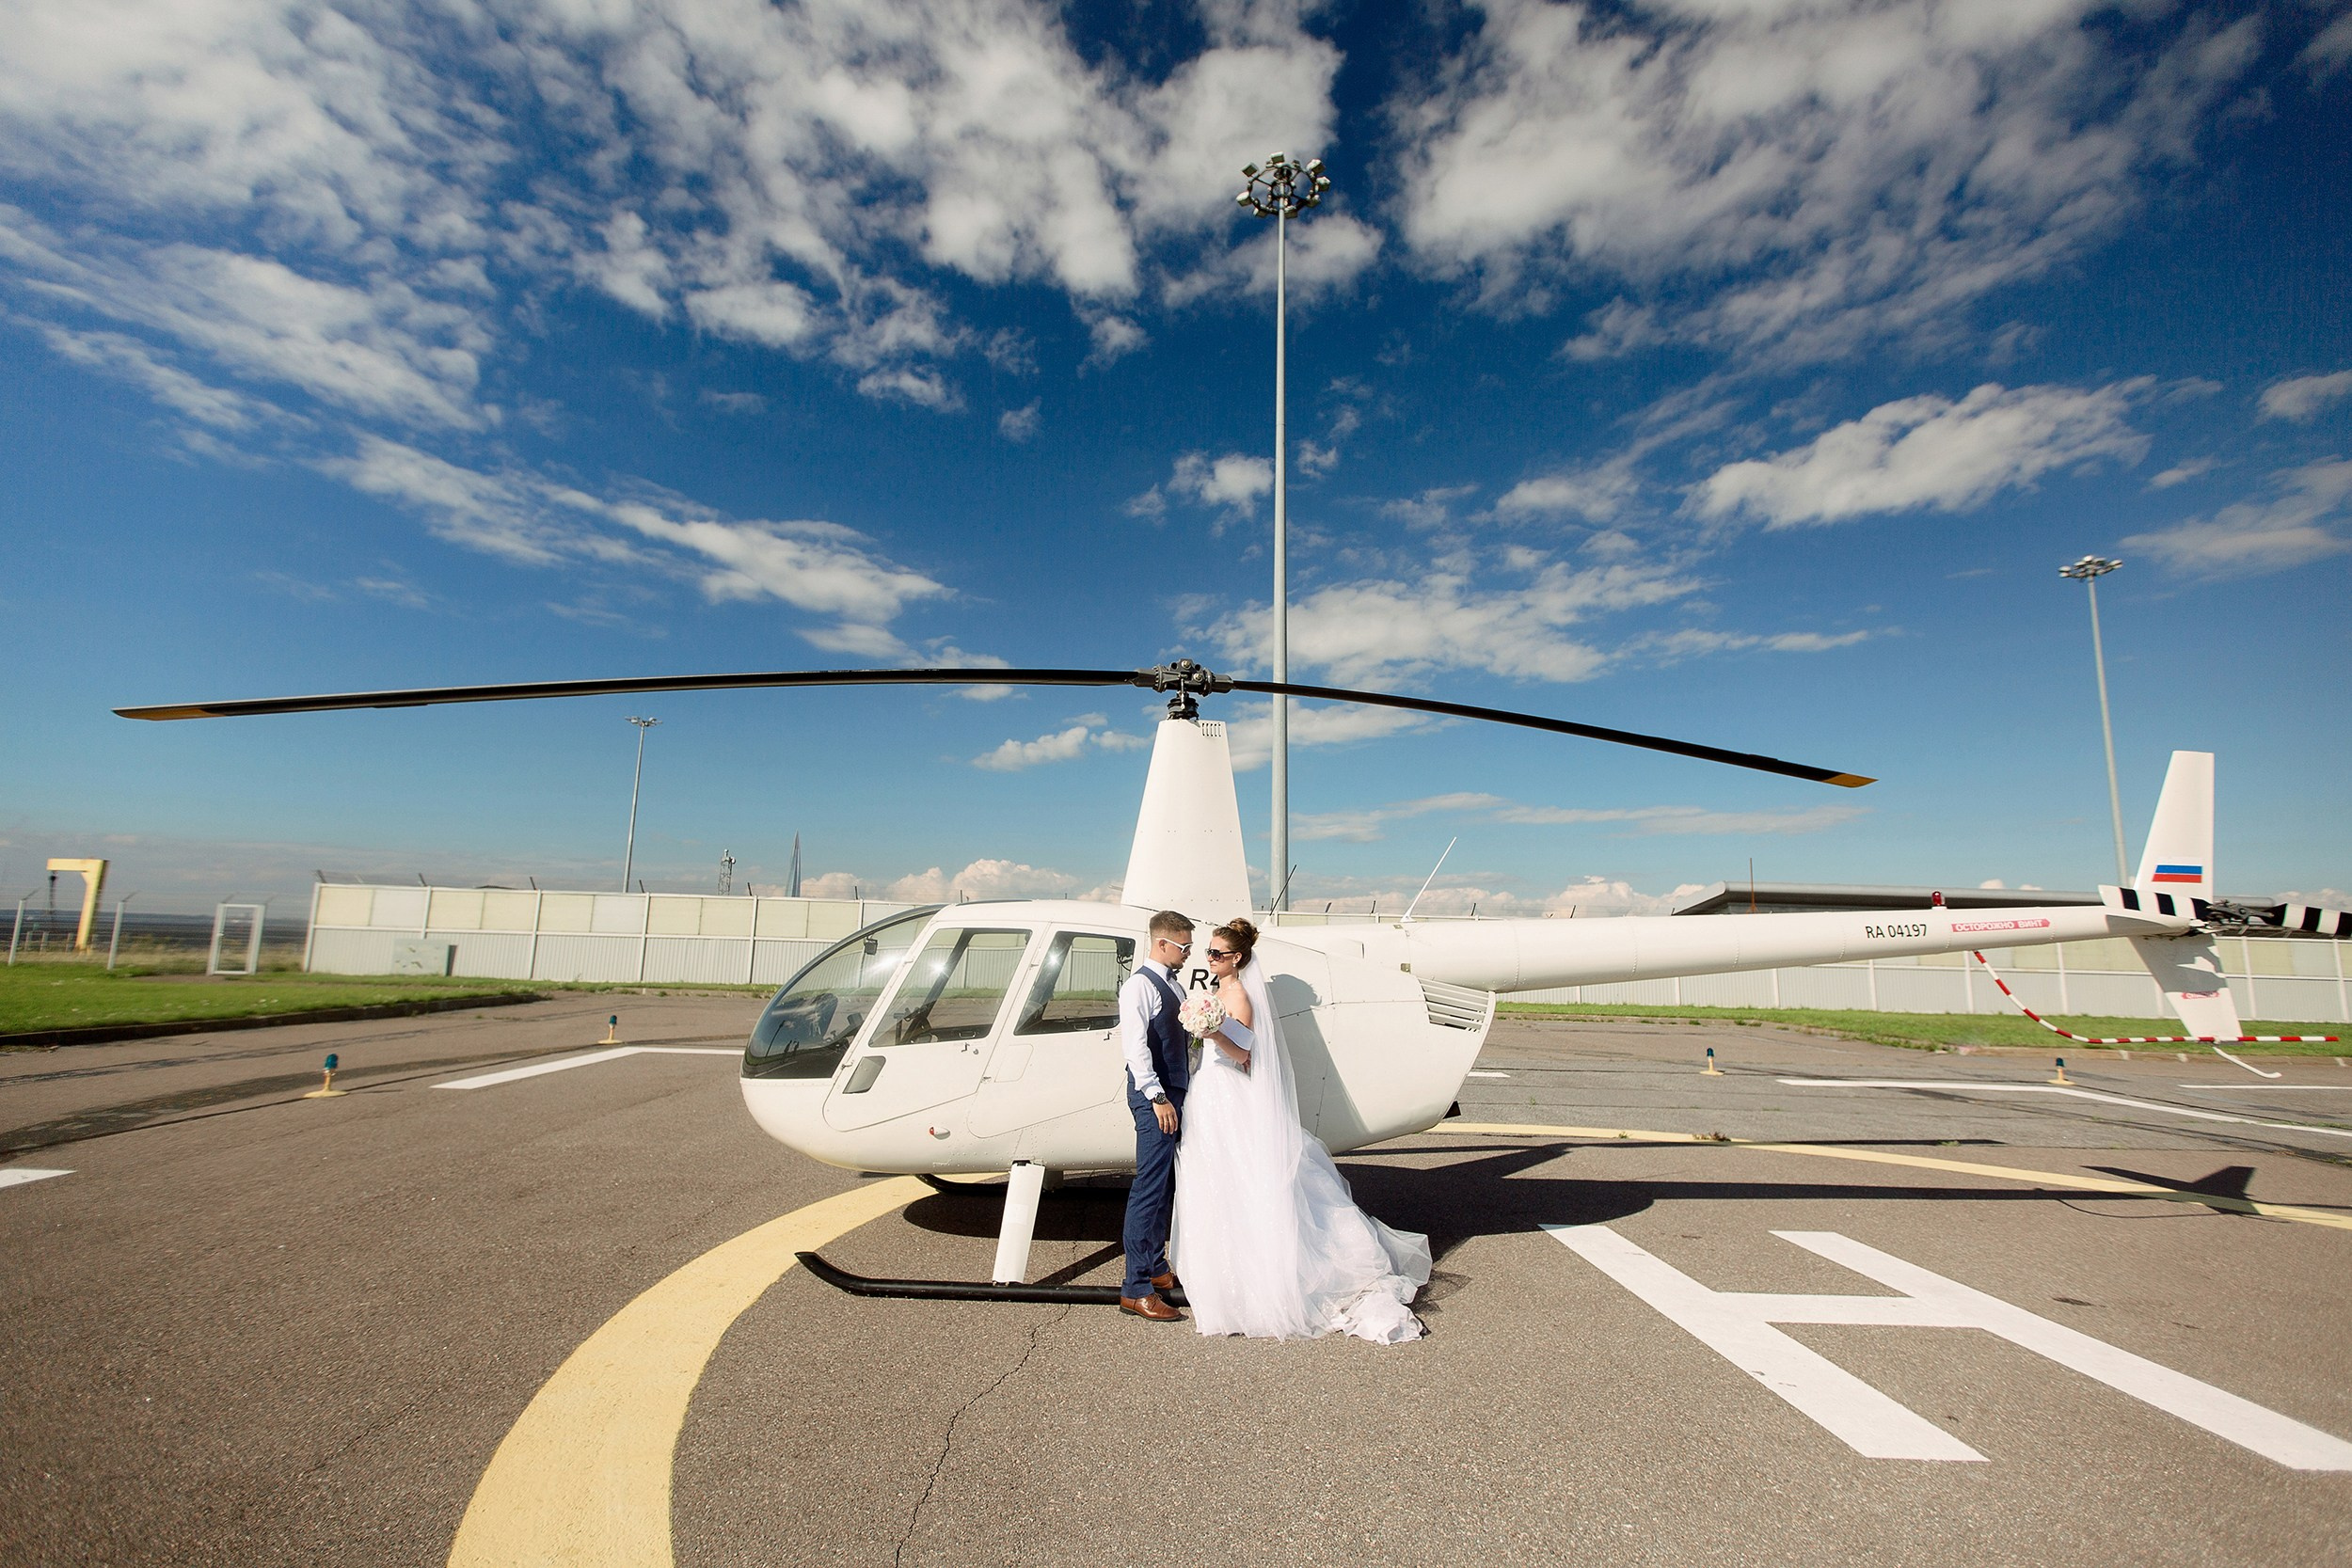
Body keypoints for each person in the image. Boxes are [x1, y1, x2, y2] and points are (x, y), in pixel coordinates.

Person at [1171, 918, 1430, 1342]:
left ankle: (1262, 1277)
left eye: (1217, 953)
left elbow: (1244, 1051)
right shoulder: (1217, 993)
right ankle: (1223, 1274)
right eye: (1209, 952)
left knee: (1241, 1176)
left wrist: (1211, 1032)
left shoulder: (1239, 996)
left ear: (1237, 958)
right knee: (1215, 1176)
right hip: (1209, 1090)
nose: (1210, 958)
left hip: (1228, 1090)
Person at [1116, 910, 1195, 1322]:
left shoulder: (1173, 983)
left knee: (1165, 1186)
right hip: (1156, 1099)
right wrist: (1157, 1096)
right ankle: (1135, 1288)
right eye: (1184, 946)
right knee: (1148, 1187)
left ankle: (1157, 1266)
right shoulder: (1139, 986)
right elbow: (1136, 1048)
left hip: (1174, 1093)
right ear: (1162, 943)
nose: (1188, 953)